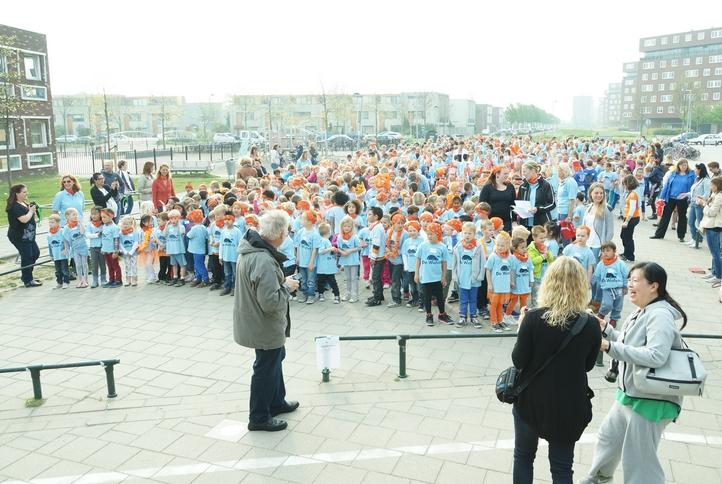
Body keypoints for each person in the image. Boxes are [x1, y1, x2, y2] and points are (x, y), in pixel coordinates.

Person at [582, 263, 687, 484]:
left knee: (639, 459)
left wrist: (609, 347)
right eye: (629, 279)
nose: (630, 284)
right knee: (608, 438)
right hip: (632, 393)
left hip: (651, 399)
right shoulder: (644, 310)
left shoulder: (659, 315)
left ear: (654, 286)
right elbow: (630, 341)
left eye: (636, 280)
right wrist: (607, 330)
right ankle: (598, 479)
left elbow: (656, 355)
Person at [512, 256, 601, 484]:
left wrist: (521, 327)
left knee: (523, 456)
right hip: (569, 404)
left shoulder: (533, 319)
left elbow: (519, 360)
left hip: (532, 401)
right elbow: (588, 365)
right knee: (562, 468)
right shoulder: (590, 323)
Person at [233, 209, 300, 432]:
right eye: (287, 231)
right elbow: (270, 302)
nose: (288, 234)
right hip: (262, 323)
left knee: (275, 358)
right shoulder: (262, 259)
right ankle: (259, 417)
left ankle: (276, 401)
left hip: (257, 321)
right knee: (265, 367)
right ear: (280, 232)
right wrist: (287, 287)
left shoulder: (253, 249)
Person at [415, 222, 453, 326]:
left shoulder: (442, 247)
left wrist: (444, 276)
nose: (429, 236)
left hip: (437, 278)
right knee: (426, 297)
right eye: (428, 234)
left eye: (432, 234)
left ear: (438, 234)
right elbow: (418, 259)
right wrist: (416, 274)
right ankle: (429, 315)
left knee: (440, 297)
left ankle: (442, 314)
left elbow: (444, 263)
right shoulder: (423, 245)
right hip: (426, 277)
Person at [5, 184, 42, 288]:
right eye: (24, 192)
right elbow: (24, 219)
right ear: (17, 193)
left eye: (26, 191)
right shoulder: (14, 206)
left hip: (28, 236)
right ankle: (28, 280)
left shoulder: (23, 202)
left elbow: (30, 217)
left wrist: (33, 211)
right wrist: (31, 211)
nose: (27, 193)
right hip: (19, 236)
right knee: (27, 256)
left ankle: (26, 275)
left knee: (35, 253)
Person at [651, 158, 695, 242]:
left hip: (683, 199)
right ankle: (659, 234)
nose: (683, 167)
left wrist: (689, 196)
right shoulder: (673, 173)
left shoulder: (691, 175)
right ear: (678, 165)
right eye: (681, 165)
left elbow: (693, 187)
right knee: (665, 216)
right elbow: (666, 185)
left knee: (682, 217)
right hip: (671, 197)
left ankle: (681, 236)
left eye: (685, 165)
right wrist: (662, 197)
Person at [451, 221, 485, 328]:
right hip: (462, 277)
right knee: (463, 299)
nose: (467, 235)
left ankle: (473, 316)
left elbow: (483, 262)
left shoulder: (478, 246)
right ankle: (463, 317)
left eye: (469, 233)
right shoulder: (459, 246)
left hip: (474, 278)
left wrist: (480, 275)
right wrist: (455, 275)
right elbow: (454, 263)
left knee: (473, 299)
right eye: (465, 233)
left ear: (474, 234)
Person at [593, 241, 629, 328]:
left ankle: (614, 319)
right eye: (603, 251)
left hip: (619, 288)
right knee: (607, 304)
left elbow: (625, 275)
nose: (605, 253)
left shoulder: (620, 263)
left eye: (608, 250)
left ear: (614, 251)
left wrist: (625, 286)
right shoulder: (601, 264)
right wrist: (592, 284)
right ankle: (601, 315)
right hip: (607, 288)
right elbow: (596, 276)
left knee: (618, 305)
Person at [485, 231, 514, 333]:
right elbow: (488, 269)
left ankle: (500, 320)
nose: (500, 247)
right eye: (498, 245)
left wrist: (511, 281)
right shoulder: (493, 256)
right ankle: (494, 322)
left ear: (508, 246)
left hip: (504, 287)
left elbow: (510, 270)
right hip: (495, 287)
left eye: (502, 245)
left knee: (501, 304)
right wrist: (489, 284)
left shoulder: (509, 257)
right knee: (494, 304)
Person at [517, 161, 556, 229]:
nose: (523, 174)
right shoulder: (523, 186)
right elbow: (519, 202)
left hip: (541, 224)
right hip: (526, 224)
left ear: (532, 171)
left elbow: (552, 204)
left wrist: (538, 209)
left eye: (525, 171)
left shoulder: (546, 185)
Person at [478, 165, 516, 233]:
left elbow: (513, 205)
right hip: (491, 222)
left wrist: (514, 221)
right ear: (497, 174)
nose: (507, 175)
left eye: (508, 173)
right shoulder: (487, 188)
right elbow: (481, 205)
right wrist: (486, 220)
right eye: (505, 173)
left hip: (506, 222)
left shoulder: (510, 187)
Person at [699, 177, 722, 287]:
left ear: (717, 185)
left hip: (714, 226)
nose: (710, 186)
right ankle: (714, 272)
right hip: (710, 225)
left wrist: (704, 205)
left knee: (716, 253)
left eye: (712, 185)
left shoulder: (719, 197)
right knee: (714, 252)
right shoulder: (715, 195)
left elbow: (712, 212)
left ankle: (718, 276)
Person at [582, 183, 614, 260]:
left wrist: (604, 249)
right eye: (596, 193)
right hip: (587, 243)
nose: (599, 195)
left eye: (601, 193)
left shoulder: (607, 208)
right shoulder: (589, 207)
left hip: (597, 245)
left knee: (594, 269)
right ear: (590, 193)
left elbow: (610, 232)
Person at [62, 207, 89, 288]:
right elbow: (65, 239)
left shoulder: (79, 224)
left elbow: (82, 232)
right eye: (73, 215)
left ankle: (86, 280)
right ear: (67, 216)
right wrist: (66, 249)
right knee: (78, 265)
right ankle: (80, 279)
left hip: (83, 247)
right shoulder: (66, 228)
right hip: (75, 249)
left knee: (84, 264)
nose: (75, 216)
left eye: (76, 215)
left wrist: (80, 223)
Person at [337, 215, 362, 303]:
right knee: (347, 278)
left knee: (353, 278)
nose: (347, 228)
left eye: (348, 226)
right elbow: (338, 247)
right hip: (345, 260)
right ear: (341, 227)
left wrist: (350, 250)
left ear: (352, 227)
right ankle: (347, 294)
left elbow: (359, 247)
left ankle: (355, 295)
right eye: (345, 226)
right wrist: (342, 252)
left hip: (353, 260)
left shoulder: (354, 237)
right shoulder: (340, 237)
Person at [315, 222, 341, 303]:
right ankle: (335, 296)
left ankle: (324, 294)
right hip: (324, 266)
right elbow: (321, 251)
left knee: (324, 281)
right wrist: (331, 249)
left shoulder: (325, 240)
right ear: (328, 232)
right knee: (330, 281)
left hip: (326, 266)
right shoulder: (324, 240)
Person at [686, 163, 711, 248]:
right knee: (690, 222)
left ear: (700, 170)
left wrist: (700, 198)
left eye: (696, 169)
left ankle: (698, 241)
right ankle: (694, 238)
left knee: (700, 224)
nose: (694, 170)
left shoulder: (706, 180)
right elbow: (694, 191)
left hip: (699, 204)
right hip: (693, 203)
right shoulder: (697, 178)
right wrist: (686, 194)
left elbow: (707, 194)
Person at [620, 175, 641, 262]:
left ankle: (630, 256)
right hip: (629, 217)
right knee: (624, 236)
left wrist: (627, 221)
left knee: (627, 237)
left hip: (631, 218)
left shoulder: (633, 194)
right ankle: (626, 253)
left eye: (624, 184)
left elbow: (632, 208)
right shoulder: (631, 193)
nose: (623, 186)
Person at [99, 208, 122, 288]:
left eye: (104, 217)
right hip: (106, 250)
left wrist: (116, 251)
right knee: (109, 266)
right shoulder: (104, 226)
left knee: (115, 266)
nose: (103, 219)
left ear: (111, 216)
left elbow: (116, 240)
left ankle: (118, 280)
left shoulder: (114, 227)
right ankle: (111, 280)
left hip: (112, 251)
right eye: (102, 217)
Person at [47, 214, 70, 289]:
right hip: (56, 255)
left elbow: (66, 241)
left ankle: (66, 282)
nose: (50, 224)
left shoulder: (62, 231)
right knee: (58, 270)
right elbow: (50, 245)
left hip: (62, 255)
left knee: (64, 269)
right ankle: (59, 282)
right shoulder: (49, 234)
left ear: (58, 223)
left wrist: (66, 249)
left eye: (52, 222)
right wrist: (51, 255)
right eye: (49, 222)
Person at [86, 206, 107, 288]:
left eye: (95, 214)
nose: (93, 216)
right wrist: (97, 235)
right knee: (94, 264)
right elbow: (87, 235)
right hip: (93, 247)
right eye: (92, 214)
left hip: (102, 247)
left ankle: (103, 279)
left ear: (100, 214)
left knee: (102, 264)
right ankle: (95, 280)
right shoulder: (89, 225)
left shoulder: (104, 224)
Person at [118, 215, 140, 286]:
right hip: (125, 253)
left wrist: (131, 251)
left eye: (127, 224)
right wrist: (124, 251)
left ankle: (134, 279)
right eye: (123, 224)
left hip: (133, 252)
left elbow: (136, 242)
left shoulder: (135, 233)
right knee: (127, 265)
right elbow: (120, 243)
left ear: (131, 224)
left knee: (133, 265)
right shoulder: (121, 233)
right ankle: (128, 279)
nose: (125, 225)